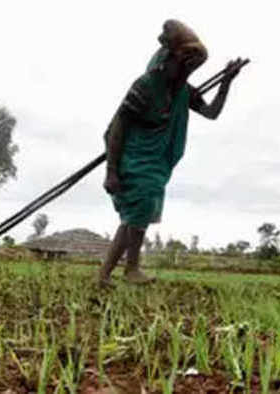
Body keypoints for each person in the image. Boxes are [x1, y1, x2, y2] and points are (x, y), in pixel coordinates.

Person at [98, 20, 242, 287]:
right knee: (138, 213)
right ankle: (131, 269)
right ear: (171, 60)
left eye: (192, 67)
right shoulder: (145, 86)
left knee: (132, 218)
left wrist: (226, 82)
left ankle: (103, 276)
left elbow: (211, 113)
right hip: (134, 160)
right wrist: (111, 170)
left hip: (156, 163)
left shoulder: (183, 92)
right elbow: (116, 130)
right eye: (185, 65)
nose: (188, 71)